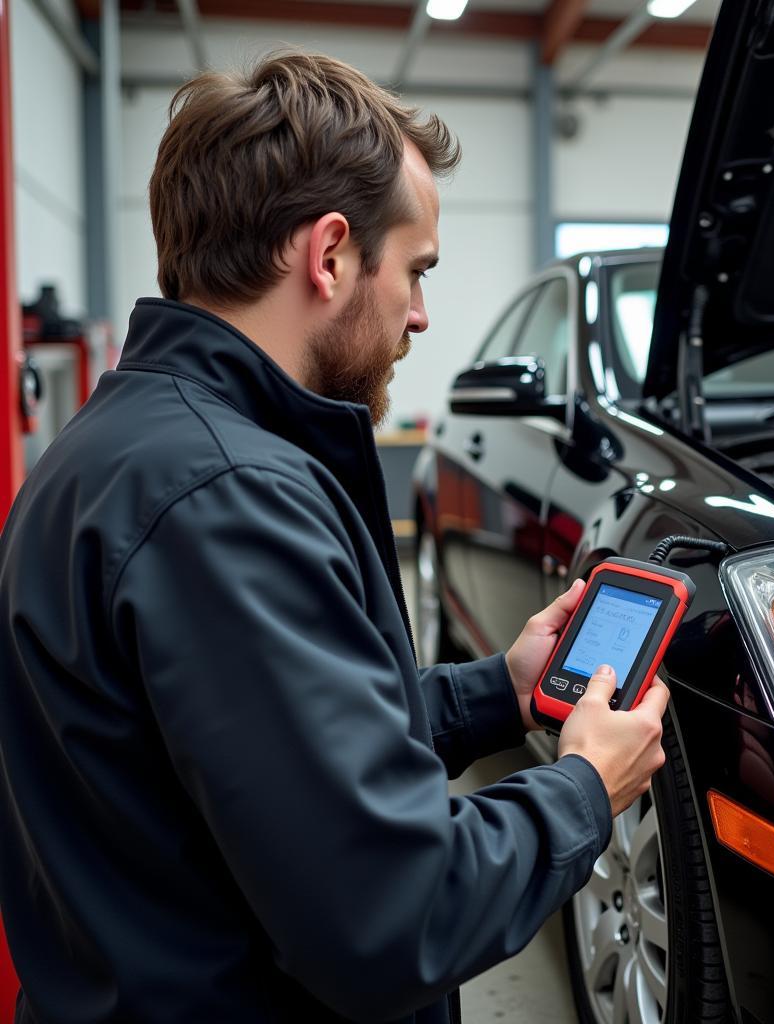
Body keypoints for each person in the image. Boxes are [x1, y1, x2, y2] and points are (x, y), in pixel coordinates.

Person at [0, 53, 669, 1023]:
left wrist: (501, 690)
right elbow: (396, 917)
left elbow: (280, 760)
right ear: (328, 254)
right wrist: (582, 789)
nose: (422, 314)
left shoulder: (120, 448)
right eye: (416, 270)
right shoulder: (227, 502)